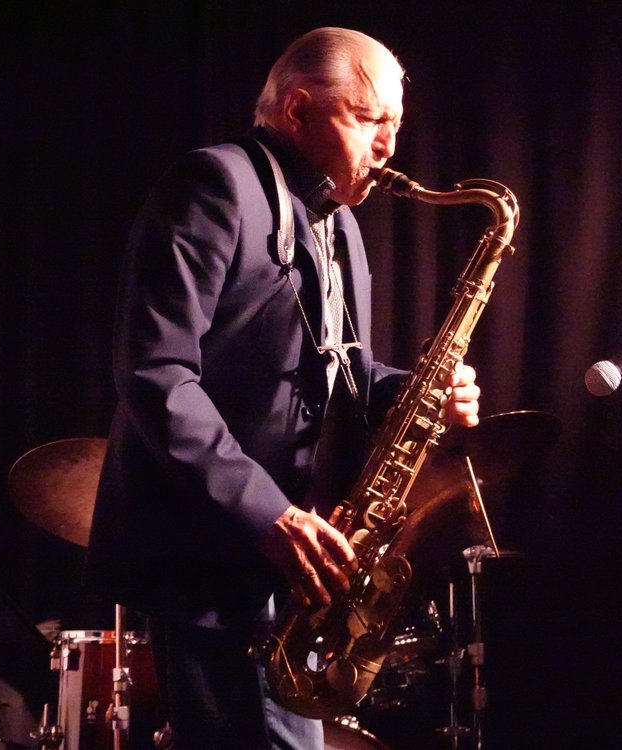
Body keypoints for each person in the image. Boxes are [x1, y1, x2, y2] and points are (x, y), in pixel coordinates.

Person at [84, 27, 481, 750]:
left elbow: (345, 375)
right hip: (210, 558)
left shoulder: (340, 225)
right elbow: (155, 373)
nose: (388, 146)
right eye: (370, 119)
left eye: (395, 125)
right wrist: (269, 515)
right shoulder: (214, 184)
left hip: (290, 564)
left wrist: (418, 394)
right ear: (297, 110)